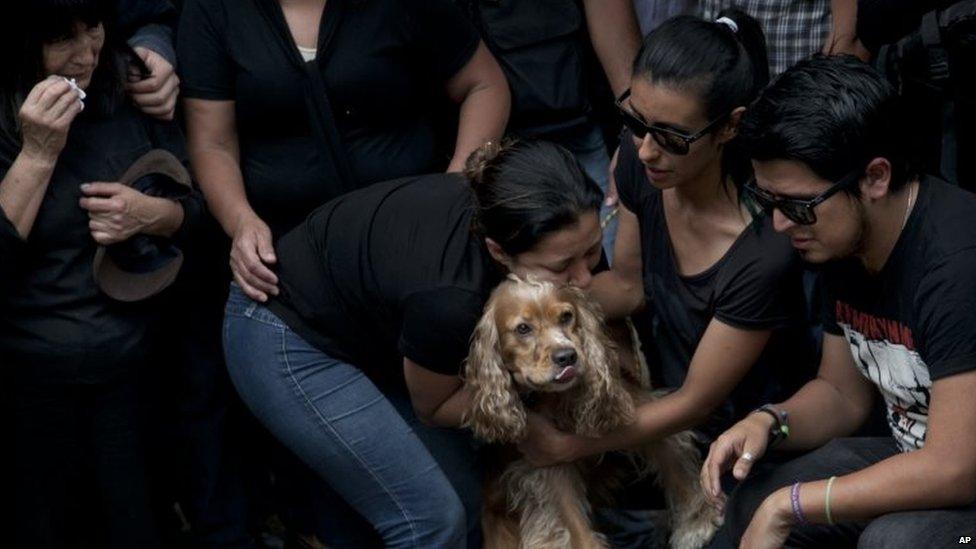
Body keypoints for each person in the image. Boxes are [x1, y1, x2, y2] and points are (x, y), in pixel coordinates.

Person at [222, 140, 605, 547]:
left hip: (373, 333)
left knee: (466, 494)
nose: (584, 279)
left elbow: (616, 291)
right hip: (284, 336)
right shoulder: (449, 296)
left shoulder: (530, 213)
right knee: (429, 519)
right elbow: (436, 406)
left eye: (594, 251)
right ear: (498, 251)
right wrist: (529, 409)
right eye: (562, 267)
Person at [701, 55, 976, 548]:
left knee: (893, 541)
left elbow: (954, 467)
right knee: (753, 494)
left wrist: (791, 507)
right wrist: (770, 421)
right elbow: (842, 395)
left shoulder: (958, 265)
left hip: (959, 471)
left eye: (798, 205)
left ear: (875, 177)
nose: (781, 225)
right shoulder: (841, 241)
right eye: (769, 201)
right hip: (915, 452)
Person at [516, 11, 813, 467]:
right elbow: (629, 287)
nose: (645, 149)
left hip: (742, 440)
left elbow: (698, 401)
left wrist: (569, 446)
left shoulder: (763, 250)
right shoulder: (645, 163)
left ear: (730, 127)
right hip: (659, 398)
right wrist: (522, 310)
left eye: (672, 136)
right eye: (636, 122)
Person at [0, 1, 203, 547]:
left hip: (134, 364)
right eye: (62, 39)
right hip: (29, 378)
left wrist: (150, 215)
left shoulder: (126, 81)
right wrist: (39, 153)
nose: (85, 55)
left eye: (92, 29)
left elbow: (193, 210)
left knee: (135, 523)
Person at [178, 0, 510, 303]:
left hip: (420, 243)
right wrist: (240, 221)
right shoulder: (213, 10)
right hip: (286, 264)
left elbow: (483, 85)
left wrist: (454, 190)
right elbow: (213, 142)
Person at [456, 0, 642, 259]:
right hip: (481, 148)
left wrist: (636, 128)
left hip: (575, 126)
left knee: (595, 260)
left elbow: (609, 16)